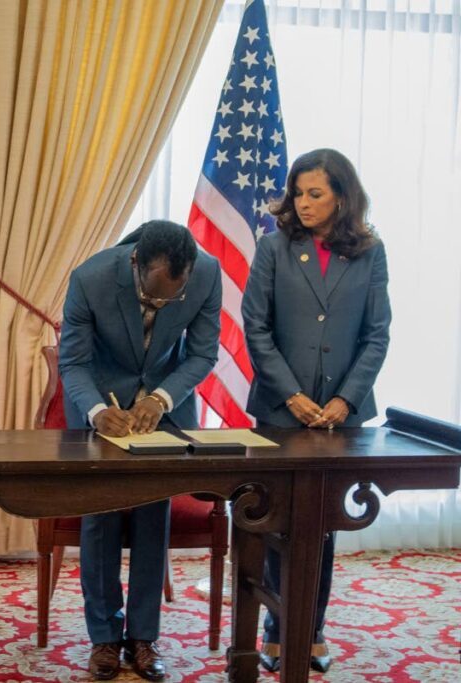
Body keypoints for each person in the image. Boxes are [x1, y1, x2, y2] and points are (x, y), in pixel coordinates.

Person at [242, 148, 391, 674]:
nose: (302, 204)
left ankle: (310, 627)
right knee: (278, 522)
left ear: (342, 197)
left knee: (321, 527)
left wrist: (344, 400)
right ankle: (275, 628)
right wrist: (291, 395)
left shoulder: (371, 252)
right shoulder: (273, 247)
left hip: (338, 417)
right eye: (298, 193)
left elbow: (377, 335)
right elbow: (255, 328)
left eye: (315, 194)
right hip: (281, 412)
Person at [58, 220, 221, 681]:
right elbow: (72, 360)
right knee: (101, 518)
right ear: (136, 264)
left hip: (164, 405)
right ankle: (104, 639)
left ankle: (144, 638)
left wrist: (161, 399)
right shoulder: (89, 278)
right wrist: (94, 411)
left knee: (155, 517)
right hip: (100, 402)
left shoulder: (207, 274)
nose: (159, 305)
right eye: (152, 297)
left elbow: (203, 354)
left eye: (171, 298)